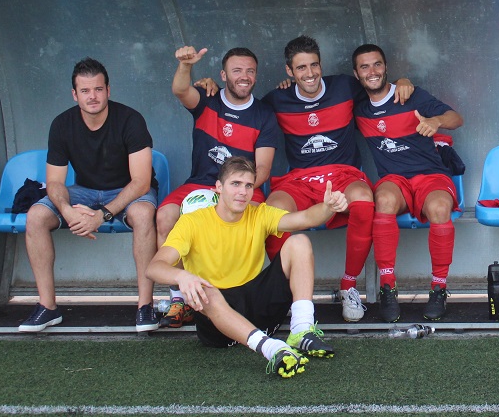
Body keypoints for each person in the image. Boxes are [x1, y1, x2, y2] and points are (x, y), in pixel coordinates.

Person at [147, 156, 348, 378]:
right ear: (219, 187)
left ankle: (301, 330)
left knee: (299, 242)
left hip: (258, 307)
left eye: (248, 185)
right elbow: (155, 267)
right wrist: (182, 276)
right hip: (218, 323)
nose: (243, 192)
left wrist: (328, 208)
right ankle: (271, 348)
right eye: (235, 184)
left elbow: (306, 218)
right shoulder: (192, 221)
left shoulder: (258, 213)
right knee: (205, 289)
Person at [261, 35, 413, 322]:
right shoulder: (277, 99)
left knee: (364, 200)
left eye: (314, 65)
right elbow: (241, 107)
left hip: (344, 174)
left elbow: (377, 86)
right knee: (271, 214)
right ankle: (287, 293)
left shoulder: (344, 86)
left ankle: (348, 286)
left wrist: (402, 80)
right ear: (289, 71)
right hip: (300, 179)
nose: (310, 73)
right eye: (301, 67)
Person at [19, 58, 159, 333]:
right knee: (36, 216)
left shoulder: (130, 119)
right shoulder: (62, 124)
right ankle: (48, 307)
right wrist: (68, 211)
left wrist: (102, 215)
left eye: (98, 89)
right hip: (83, 190)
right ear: (75, 94)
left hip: (127, 189)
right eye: (85, 90)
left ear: (108, 90)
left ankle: (145, 306)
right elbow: (54, 182)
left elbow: (141, 182)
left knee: (143, 214)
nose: (92, 96)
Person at [156, 46, 279, 329]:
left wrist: (234, 190)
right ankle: (180, 298)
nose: (244, 76)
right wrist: (186, 65)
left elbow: (262, 169)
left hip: (243, 186)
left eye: (250, 71)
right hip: (200, 183)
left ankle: (243, 295)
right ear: (223, 75)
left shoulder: (264, 114)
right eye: (237, 71)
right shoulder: (207, 99)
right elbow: (180, 90)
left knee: (251, 220)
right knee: (164, 216)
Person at [352, 44, 464, 323]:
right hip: (395, 180)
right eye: (364, 67)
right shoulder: (358, 106)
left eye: (377, 64)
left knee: (440, 208)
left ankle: (438, 288)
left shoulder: (410, 95)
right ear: (356, 74)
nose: (372, 71)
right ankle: (388, 288)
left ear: (386, 67)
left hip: (431, 175)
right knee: (383, 200)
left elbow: (456, 119)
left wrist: (436, 121)